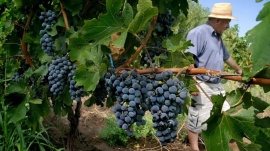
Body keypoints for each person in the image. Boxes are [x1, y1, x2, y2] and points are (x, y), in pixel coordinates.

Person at [185, 3, 242, 151]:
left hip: (217, 85)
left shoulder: (218, 38)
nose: (228, 26)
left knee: (225, 112)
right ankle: (194, 147)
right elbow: (187, 60)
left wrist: (238, 69)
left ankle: (214, 140)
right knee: (197, 116)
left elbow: (226, 57)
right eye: (227, 22)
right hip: (201, 83)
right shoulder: (198, 33)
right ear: (218, 20)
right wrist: (193, 85)